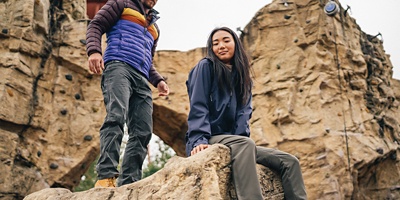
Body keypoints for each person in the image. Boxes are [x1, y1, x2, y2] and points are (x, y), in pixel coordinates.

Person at [185, 27, 307, 200]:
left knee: (290, 162)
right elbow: (198, 105)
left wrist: (242, 142)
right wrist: (198, 139)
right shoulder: (206, 67)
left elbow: (244, 115)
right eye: (215, 43)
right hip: (209, 138)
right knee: (245, 144)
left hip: (236, 142)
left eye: (226, 40)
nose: (221, 45)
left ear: (236, 43)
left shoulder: (243, 77)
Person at [86, 0, 169, 188]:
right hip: (118, 66)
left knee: (143, 131)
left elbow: (148, 59)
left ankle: (129, 182)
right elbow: (96, 25)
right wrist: (94, 51)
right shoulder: (120, 4)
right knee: (116, 116)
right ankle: (106, 176)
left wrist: (159, 81)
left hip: (141, 78)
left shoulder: (154, 27)